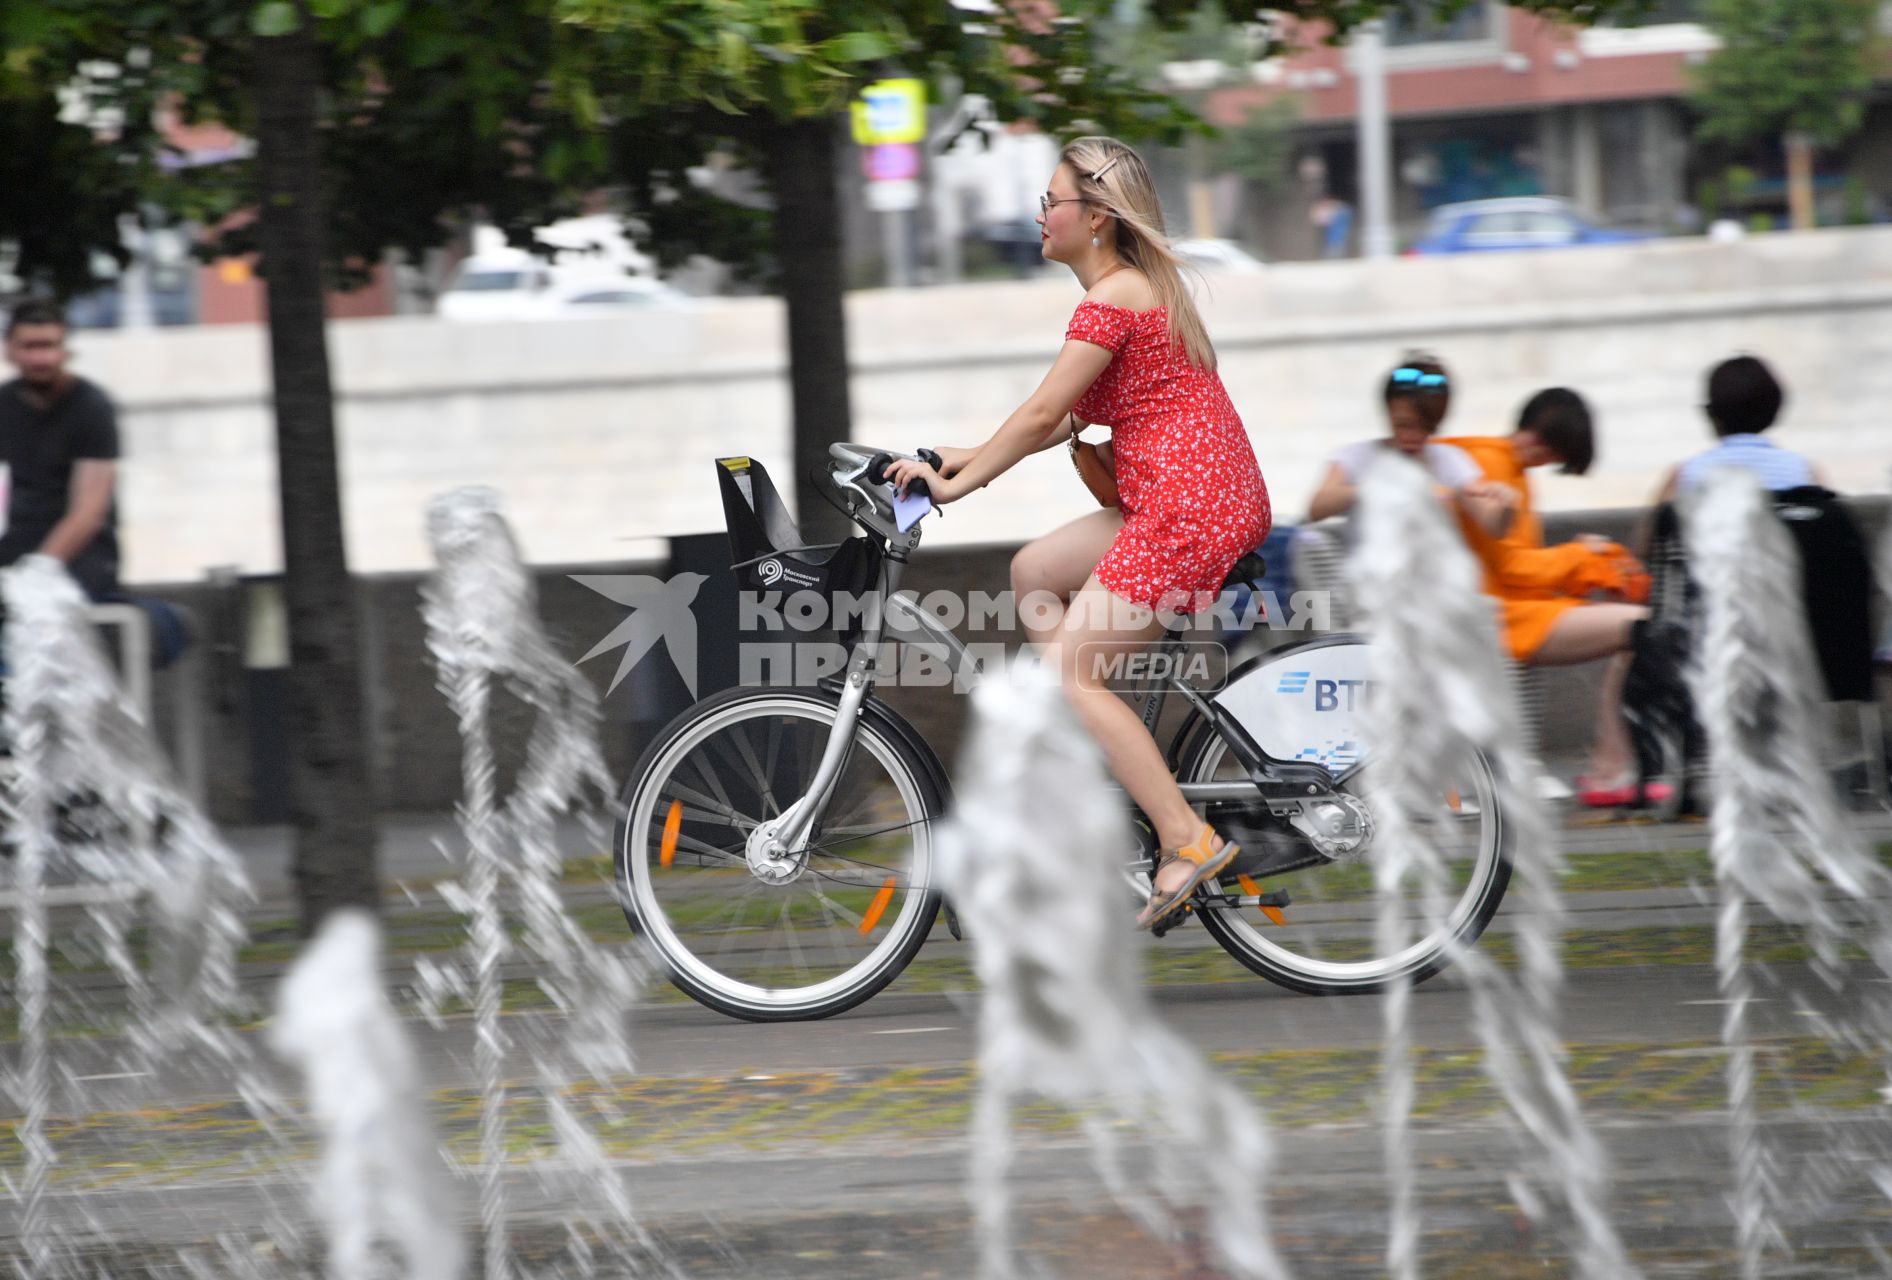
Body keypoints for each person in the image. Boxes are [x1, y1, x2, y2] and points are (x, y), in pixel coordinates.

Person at [885, 136, 1270, 931]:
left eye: (1050, 202)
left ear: (1095, 218)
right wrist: (947, 456)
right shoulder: (1130, 291)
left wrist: (958, 483)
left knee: (1073, 674)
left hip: (1186, 509)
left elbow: (1034, 418)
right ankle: (1097, 754)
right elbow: (1058, 420)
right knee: (1034, 570)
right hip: (1184, 498)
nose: (1040, 215)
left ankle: (1184, 836)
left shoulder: (1117, 295)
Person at [1441, 389, 1658, 806]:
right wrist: (1580, 558)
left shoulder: (1499, 463)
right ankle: (1610, 771)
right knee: (1640, 626)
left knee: (1641, 625)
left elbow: (1509, 564)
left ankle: (1611, 768)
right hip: (1496, 619)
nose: (1546, 462)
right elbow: (1510, 570)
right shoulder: (1492, 464)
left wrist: (1576, 556)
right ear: (1543, 441)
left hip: (1504, 612)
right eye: (1554, 455)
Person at [1304, 353, 1513, 537]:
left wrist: (1505, 506)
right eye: (1402, 425)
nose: (1412, 436)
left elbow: (1492, 523)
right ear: (1388, 412)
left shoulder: (1449, 459)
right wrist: (1375, 487)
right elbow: (1316, 508)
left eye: (1425, 427)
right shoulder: (1357, 455)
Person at [0, 298, 122, 598]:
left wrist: (41, 569)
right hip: (16, 544)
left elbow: (88, 511)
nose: (42, 358)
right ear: (10, 350)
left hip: (84, 555)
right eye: (30, 347)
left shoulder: (92, 407)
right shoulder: (3, 405)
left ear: (66, 349)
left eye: (49, 346)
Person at [1651, 354, 1824, 501]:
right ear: (1775, 409)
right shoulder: (1804, 472)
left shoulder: (1684, 476)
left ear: (1712, 414)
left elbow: (1651, 537)